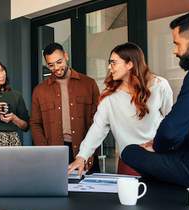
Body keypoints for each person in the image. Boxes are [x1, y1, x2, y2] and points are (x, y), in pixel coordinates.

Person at [122, 10, 189, 190]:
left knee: (130, 152)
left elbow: (171, 131)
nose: (175, 51)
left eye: (177, 44)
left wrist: (155, 146)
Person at [67, 42, 173, 176]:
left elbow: (171, 121)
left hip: (158, 159)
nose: (109, 67)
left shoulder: (160, 85)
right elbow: (98, 128)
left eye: (113, 63)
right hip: (129, 162)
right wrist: (82, 156)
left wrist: (161, 143)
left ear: (129, 64)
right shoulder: (109, 97)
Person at [30, 42, 100, 170]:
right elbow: (35, 124)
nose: (56, 68)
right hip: (54, 153)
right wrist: (45, 151)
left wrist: (90, 151)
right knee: (56, 190)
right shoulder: (40, 91)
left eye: (59, 62)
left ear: (66, 56)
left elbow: (97, 121)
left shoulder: (89, 84)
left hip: (84, 150)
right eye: (51, 65)